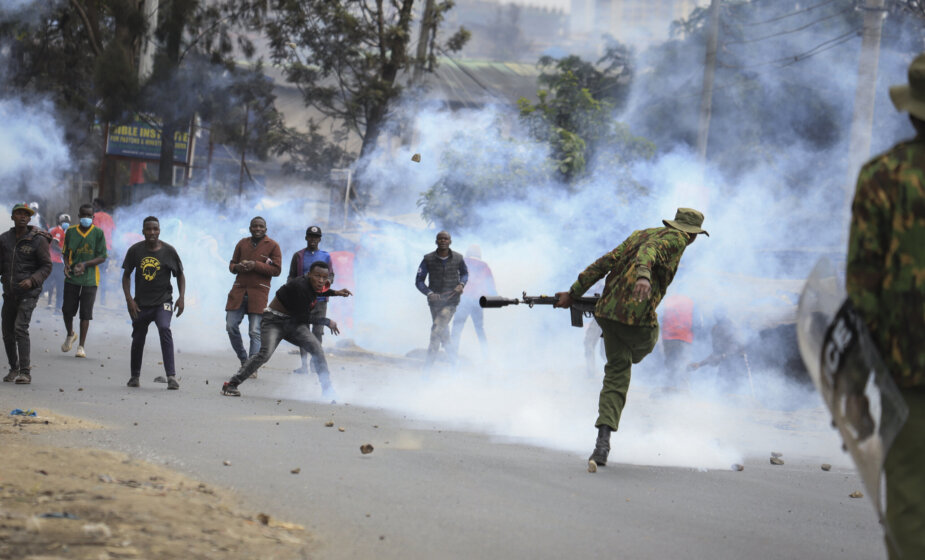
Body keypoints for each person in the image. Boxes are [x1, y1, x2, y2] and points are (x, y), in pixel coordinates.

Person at [555, 208, 708, 471]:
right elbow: (649, 252)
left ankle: (602, 444)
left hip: (607, 315)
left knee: (616, 374)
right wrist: (643, 277)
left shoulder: (640, 234)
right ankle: (629, 356)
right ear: (692, 235)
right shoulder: (677, 240)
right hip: (636, 320)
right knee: (647, 343)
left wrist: (573, 291)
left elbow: (603, 263)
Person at [846, 53, 925, 560]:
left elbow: (864, 295)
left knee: (911, 510)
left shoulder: (884, 177)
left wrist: (852, 387)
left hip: (908, 372)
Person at [221, 261, 352, 400]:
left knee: (316, 348)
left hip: (293, 322)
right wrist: (326, 321)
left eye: (324, 277)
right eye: (317, 276)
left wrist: (336, 293)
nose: (321, 281)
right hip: (274, 321)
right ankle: (231, 384)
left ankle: (327, 390)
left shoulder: (317, 285)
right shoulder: (300, 286)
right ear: (309, 275)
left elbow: (319, 291)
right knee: (264, 354)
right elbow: (303, 317)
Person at [121, 216, 185, 390]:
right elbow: (126, 276)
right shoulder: (135, 250)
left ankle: (171, 376)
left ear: (159, 231)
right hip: (141, 304)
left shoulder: (169, 251)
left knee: (164, 328)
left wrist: (181, 297)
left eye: (155, 229)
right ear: (143, 231)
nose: (152, 232)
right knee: (138, 337)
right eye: (148, 229)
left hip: (163, 302)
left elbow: (180, 275)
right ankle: (135, 376)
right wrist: (129, 300)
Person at [0, 203, 52, 384]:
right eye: (19, 213)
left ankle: (25, 372)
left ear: (30, 219)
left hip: (29, 292)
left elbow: (46, 266)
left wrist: (32, 280)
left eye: (26, 214)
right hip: (9, 292)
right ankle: (13, 368)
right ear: (13, 217)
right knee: (7, 332)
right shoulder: (4, 239)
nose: (22, 216)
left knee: (20, 328)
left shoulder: (38, 240)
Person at [225, 216, 281, 366]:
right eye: (254, 226)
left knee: (254, 332)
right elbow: (232, 265)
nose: (258, 229)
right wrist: (237, 267)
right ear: (250, 228)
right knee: (231, 327)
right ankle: (244, 359)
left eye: (261, 226)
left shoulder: (273, 245)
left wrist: (255, 265)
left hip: (258, 294)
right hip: (239, 292)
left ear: (265, 229)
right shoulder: (242, 243)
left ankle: (251, 366)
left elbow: (276, 270)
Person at [60, 203, 107, 358]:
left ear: (93, 218)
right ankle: (70, 334)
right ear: (79, 216)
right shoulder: (71, 232)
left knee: (85, 313)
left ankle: (81, 346)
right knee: (67, 310)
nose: (86, 218)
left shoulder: (99, 233)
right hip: (72, 276)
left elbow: (102, 257)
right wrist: (67, 265)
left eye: (89, 216)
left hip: (90, 278)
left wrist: (85, 264)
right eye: (83, 215)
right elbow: (66, 252)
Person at [415, 231, 468, 368]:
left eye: (446, 239)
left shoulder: (458, 258)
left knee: (436, 331)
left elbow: (465, 273)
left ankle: (427, 371)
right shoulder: (428, 259)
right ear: (436, 241)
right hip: (435, 302)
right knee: (444, 334)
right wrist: (429, 293)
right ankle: (455, 365)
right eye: (440, 239)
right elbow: (419, 281)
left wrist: (461, 284)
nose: (443, 241)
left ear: (450, 241)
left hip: (451, 302)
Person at [288, 225, 334, 374]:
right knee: (302, 331)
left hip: (320, 299)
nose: (313, 240)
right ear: (306, 238)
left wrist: (326, 284)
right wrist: (292, 290)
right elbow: (291, 276)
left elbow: (331, 275)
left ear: (320, 239)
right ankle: (304, 366)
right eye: (310, 237)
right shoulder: (298, 256)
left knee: (318, 332)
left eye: (316, 237)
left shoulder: (326, 256)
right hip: (303, 299)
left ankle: (315, 364)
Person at [450, 244, 496, 359]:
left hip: (463, 300)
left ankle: (452, 355)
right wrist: (493, 298)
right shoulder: (484, 266)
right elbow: (491, 286)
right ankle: (486, 356)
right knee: (479, 328)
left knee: (457, 327)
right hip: (477, 301)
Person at [92, 198, 115, 306]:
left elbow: (95, 232)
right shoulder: (109, 217)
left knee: (94, 272)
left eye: (94, 204)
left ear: (97, 205)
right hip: (108, 248)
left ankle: (93, 297)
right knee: (104, 274)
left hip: (98, 248)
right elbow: (114, 232)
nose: (93, 206)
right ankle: (102, 299)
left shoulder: (95, 216)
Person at [45, 212, 70, 311]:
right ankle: (57, 307)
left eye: (68, 221)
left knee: (52, 284)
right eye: (64, 221)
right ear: (60, 221)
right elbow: (55, 245)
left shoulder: (64, 231)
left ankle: (55, 306)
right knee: (57, 285)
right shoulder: (59, 231)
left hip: (57, 261)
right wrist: (64, 252)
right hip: (56, 262)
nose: (66, 223)